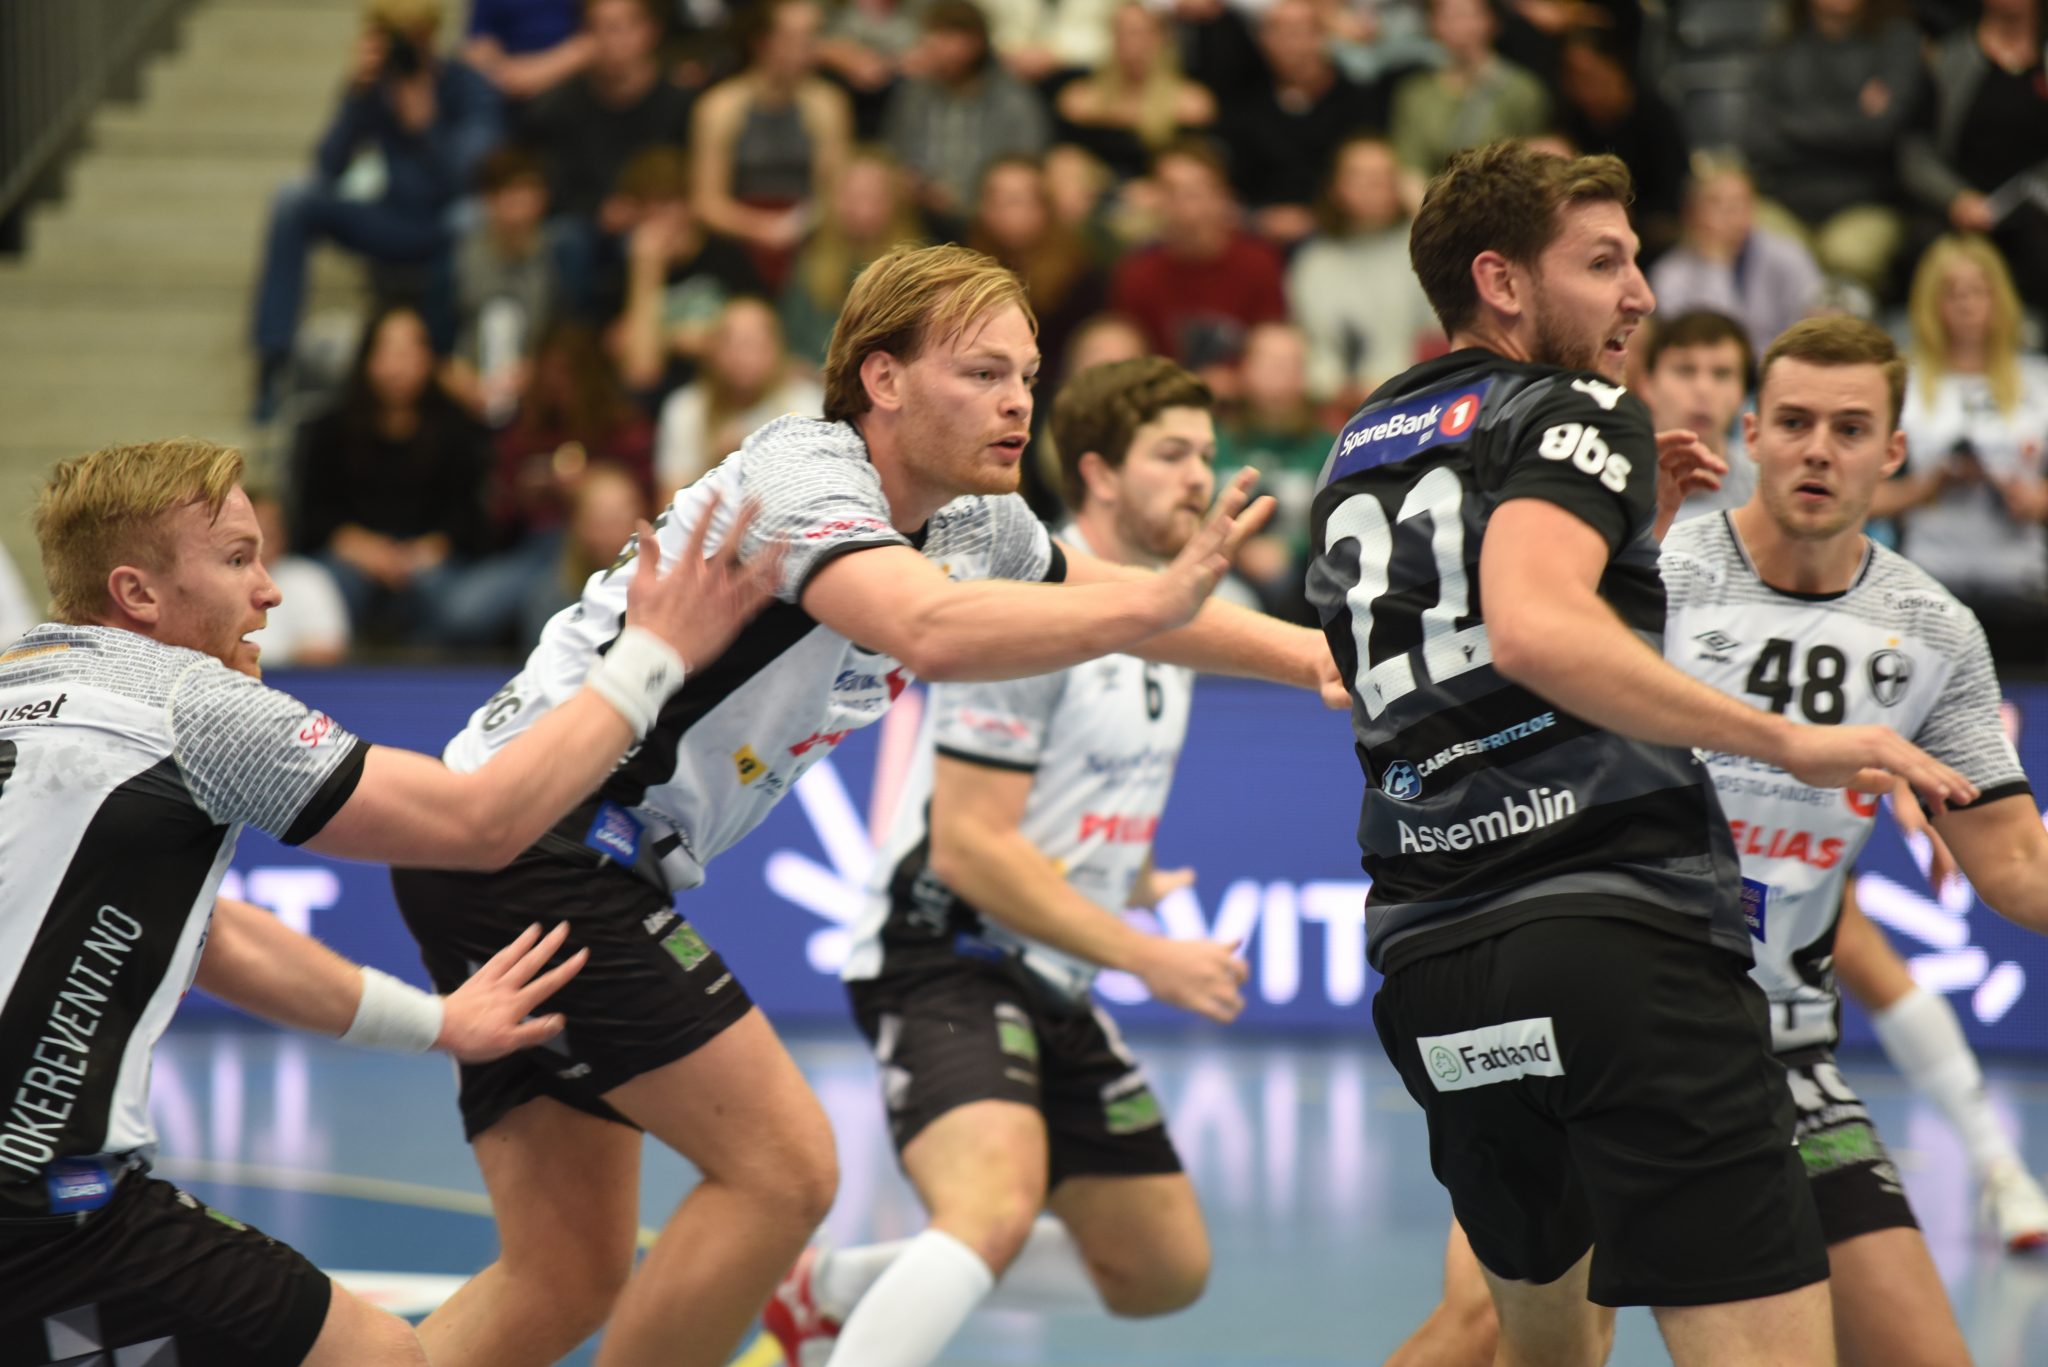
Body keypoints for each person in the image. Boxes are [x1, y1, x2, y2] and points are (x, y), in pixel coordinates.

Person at [385, 242, 1341, 1367]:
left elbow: (1135, 600)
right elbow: (929, 629)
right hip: (534, 836)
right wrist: (1148, 607)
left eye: (1026, 376)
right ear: (882, 379)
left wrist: (1314, 656)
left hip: (546, 857)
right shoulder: (803, 474)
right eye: (982, 373)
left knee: (564, 1273)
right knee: (784, 1171)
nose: (1018, 401)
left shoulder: (976, 520)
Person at [1305, 142, 1974, 1367]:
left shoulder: (1367, 439)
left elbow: (1462, 636)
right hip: (1613, 942)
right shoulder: (1572, 405)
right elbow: (1532, 626)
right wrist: (1788, 739)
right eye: (1602, 262)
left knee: (1539, 1352)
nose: (1639, 293)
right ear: (1500, 281)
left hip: (1432, 966)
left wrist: (1624, 542)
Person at [0, 434, 776, 1366]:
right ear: (137, 594)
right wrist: (652, 653)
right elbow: (484, 820)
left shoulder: (18, 681)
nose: (269, 591)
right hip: (43, 1209)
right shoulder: (188, 704)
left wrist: (436, 1024)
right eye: (238, 560)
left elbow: (218, 939)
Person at [1392, 315, 2048, 1367]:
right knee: (1494, 1332)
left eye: (1848, 428)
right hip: (1620, 1012)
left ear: (1892, 450)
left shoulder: (1934, 630)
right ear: (1751, 433)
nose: (1816, 450)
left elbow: (2015, 865)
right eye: (1792, 422)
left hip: (1783, 1046)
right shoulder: (1661, 571)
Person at [767, 355, 1241, 1367]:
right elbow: (971, 845)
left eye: (1206, 454)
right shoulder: (1031, 605)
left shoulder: (1169, 614)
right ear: (1099, 473)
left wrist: (1131, 875)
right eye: (1171, 454)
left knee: (1163, 1266)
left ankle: (835, 1287)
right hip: (944, 948)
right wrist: (1149, 955)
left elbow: (1089, 785)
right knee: (990, 1205)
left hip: (1052, 969)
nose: (1199, 477)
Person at [250, 0, 504, 419]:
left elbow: (477, 179)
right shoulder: (374, 88)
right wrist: (355, 95)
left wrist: (427, 127)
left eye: (410, 36)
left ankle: (447, 361)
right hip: (388, 216)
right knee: (294, 198)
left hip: (443, 222)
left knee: (471, 216)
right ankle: (273, 363)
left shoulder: (467, 85)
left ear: (430, 36)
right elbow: (328, 166)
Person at [1873, 234, 2048, 666]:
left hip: (2022, 581)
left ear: (2000, 299)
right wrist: (1926, 487)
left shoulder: (2040, 381)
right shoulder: (1902, 385)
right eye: (1952, 292)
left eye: (1978, 291)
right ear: (1930, 303)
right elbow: (1860, 497)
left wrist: (2033, 500)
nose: (1966, 304)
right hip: (1928, 578)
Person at [288, 305, 497, 642]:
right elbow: (310, 515)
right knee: (328, 589)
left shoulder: (457, 429)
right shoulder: (329, 429)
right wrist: (359, 546)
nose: (398, 366)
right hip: (352, 555)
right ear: (367, 358)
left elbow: (469, 517)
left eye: (409, 351)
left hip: (429, 559)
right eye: (387, 351)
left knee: (454, 602)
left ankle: (428, 671)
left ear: (429, 359)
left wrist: (432, 548)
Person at [517, 0, 694, 313]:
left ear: (650, 32)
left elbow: (687, 176)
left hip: (658, 216)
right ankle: (577, 332)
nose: (612, 41)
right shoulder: (559, 106)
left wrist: (653, 209)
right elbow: (553, 185)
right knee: (566, 238)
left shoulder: (680, 104)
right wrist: (599, 210)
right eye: (599, 29)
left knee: (654, 239)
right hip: (588, 222)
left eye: (622, 28)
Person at [1742, 0, 1921, 300]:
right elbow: (1757, 138)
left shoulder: (1895, 41)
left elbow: (1882, 133)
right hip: (1786, 202)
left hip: (1866, 204)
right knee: (1766, 248)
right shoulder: (1780, 45)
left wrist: (1789, 124)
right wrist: (1855, 119)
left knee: (1848, 254)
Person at [690, 0, 854, 290]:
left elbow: (832, 191)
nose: (807, 48)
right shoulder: (720, 107)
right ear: (762, 42)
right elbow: (707, 202)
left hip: (808, 230)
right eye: (795, 38)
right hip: (737, 235)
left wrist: (799, 226)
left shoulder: (827, 104)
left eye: (813, 36)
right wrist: (763, 230)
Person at [1899, 0, 2048, 313]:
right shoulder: (1948, 60)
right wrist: (1956, 198)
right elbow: (1916, 151)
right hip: (1959, 208)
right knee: (1922, 246)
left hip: (2037, 207)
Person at [1286, 135, 1441, 410]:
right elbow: (1310, 344)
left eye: (1383, 176)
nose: (1373, 186)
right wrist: (1333, 388)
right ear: (1336, 187)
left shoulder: (1426, 249)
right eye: (1360, 176)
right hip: (1330, 403)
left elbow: (1440, 334)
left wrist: (1427, 212)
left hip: (1416, 397)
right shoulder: (1314, 261)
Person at [1108, 139, 1287, 376]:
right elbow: (1131, 354)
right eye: (1170, 190)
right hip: (1160, 390)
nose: (1184, 204)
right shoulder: (1137, 272)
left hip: (1244, 390)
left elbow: (1271, 344)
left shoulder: (1258, 262)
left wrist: (1233, 378)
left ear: (1222, 196)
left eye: (1194, 192)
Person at [881, 0, 1051, 221]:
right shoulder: (914, 93)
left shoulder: (1014, 99)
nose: (940, 45)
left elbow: (1026, 165)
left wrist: (969, 199)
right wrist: (918, 184)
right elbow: (895, 153)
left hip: (988, 215)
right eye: (935, 35)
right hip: (919, 209)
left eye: (950, 36)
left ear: (977, 43)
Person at [1648, 154, 1828, 361]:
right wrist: (1714, 268)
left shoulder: (1788, 256)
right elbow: (1713, 342)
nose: (1729, 214)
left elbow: (1812, 325)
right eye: (1715, 203)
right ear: (1690, 213)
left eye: (1739, 203)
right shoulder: (1668, 275)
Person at [654, 295, 825, 501]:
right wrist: (716, 468)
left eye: (755, 343)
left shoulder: (807, 404)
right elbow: (669, 506)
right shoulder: (685, 408)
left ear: (777, 349)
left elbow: (822, 493)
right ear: (712, 349)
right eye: (731, 343)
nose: (743, 355)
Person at [1051, 2, 1217, 186]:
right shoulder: (1079, 98)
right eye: (1121, 32)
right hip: (1097, 189)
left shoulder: (1191, 102)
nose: (1130, 43)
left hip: (1163, 192)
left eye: (1139, 33)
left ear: (1163, 37)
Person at [450, 144, 558, 427]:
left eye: (526, 191)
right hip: (469, 381)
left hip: (540, 385)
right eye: (507, 192)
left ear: (542, 198)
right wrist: (460, 381)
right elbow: (437, 336)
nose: (517, 204)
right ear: (487, 200)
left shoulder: (559, 255)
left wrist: (536, 370)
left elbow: (572, 332)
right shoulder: (459, 256)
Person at [1387, 0, 1548, 183]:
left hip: (1508, 192)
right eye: (1448, 16)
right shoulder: (1415, 93)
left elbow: (1537, 157)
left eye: (1470, 15)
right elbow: (1410, 168)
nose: (1460, 25)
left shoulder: (1522, 89)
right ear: (1433, 24)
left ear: (1492, 21)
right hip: (1435, 195)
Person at [1644, 309, 1755, 524]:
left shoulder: (1765, 489)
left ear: (1742, 393)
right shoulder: (1611, 480)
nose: (1704, 389)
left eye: (1721, 374)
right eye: (1685, 371)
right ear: (1647, 384)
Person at [247, 489, 353, 667]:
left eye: (271, 530)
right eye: (257, 530)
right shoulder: (215, 581)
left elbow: (326, 652)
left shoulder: (307, 578)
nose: (264, 540)